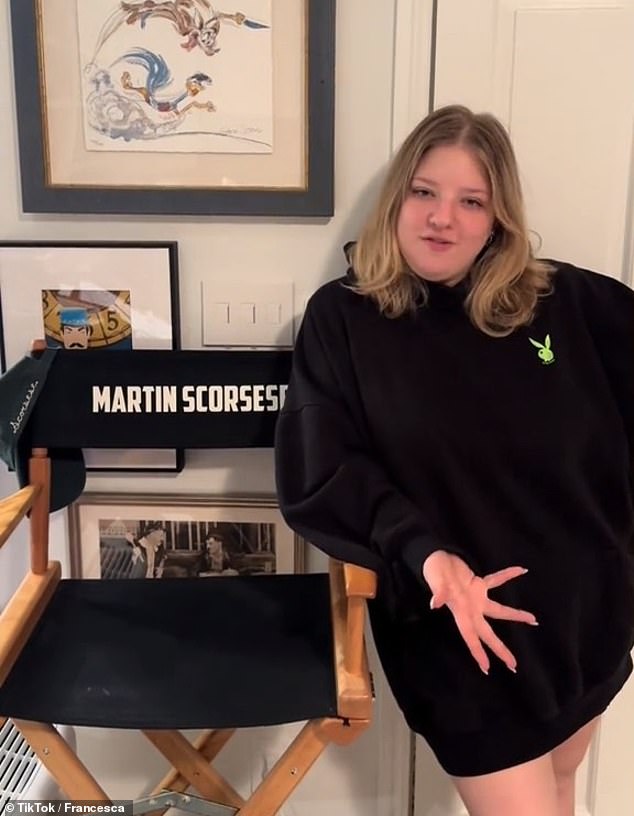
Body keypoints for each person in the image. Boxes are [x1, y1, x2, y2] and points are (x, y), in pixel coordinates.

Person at [274, 104, 634, 816]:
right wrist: (429, 556)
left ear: (498, 217)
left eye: (471, 201)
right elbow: (330, 468)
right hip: (458, 628)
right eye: (425, 192)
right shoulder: (343, 319)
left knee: (561, 791)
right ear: (398, 197)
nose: (443, 218)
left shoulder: (559, 302)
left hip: (584, 616)